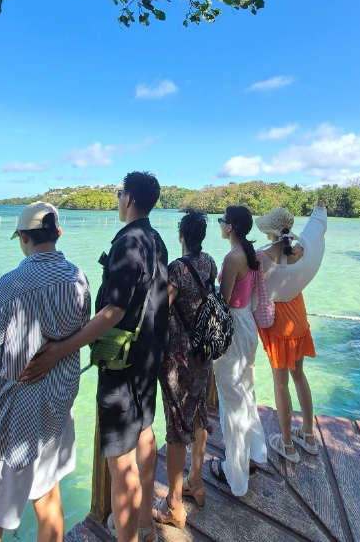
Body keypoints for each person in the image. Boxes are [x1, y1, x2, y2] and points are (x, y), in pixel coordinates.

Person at [19, 172, 169, 542]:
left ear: (128, 199)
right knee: (145, 434)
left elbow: (113, 311)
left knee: (120, 465)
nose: (118, 199)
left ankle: (131, 535)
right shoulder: (155, 240)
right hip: (148, 358)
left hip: (122, 365)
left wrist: (60, 349)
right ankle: (145, 525)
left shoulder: (128, 242)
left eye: (119, 193)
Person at [0, 201, 91, 542]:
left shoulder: (7, 288)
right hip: (57, 409)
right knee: (48, 501)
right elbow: (80, 331)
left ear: (23, 237)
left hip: (13, 418)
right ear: (58, 233)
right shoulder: (79, 279)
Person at [154, 211, 217, 528]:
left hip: (179, 359)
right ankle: (197, 482)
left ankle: (174, 505)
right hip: (203, 354)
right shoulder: (210, 263)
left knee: (177, 427)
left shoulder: (176, 269)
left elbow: (160, 310)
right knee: (199, 414)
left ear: (181, 234)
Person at [253, 199, 327, 463]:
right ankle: (308, 435)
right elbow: (315, 230)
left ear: (270, 232)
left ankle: (286, 444)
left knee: (280, 383)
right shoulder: (302, 253)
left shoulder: (262, 258)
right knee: (299, 376)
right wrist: (319, 209)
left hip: (279, 324)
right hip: (299, 318)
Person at [211, 205, 267, 496]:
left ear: (230, 226)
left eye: (222, 220)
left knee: (231, 399)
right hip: (246, 324)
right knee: (245, 390)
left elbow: (223, 299)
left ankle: (235, 472)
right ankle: (253, 455)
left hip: (232, 326)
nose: (220, 224)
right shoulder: (249, 254)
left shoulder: (232, 257)